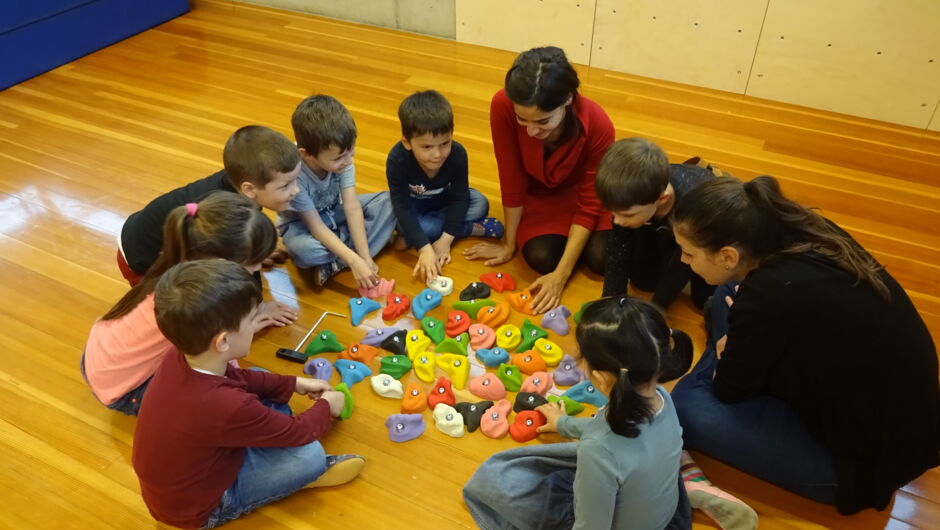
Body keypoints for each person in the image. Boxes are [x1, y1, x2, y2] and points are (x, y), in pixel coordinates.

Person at [669, 175, 940, 514]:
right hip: (896, 410)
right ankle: (735, 351)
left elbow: (729, 392)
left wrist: (730, 357)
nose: (683, 261)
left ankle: (729, 354)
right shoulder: (804, 229)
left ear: (727, 255)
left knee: (686, 405)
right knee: (726, 293)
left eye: (689, 253)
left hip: (864, 465)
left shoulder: (766, 295)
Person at [133, 259, 363, 529]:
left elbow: (238, 378)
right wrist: (327, 404)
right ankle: (303, 477)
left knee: (264, 386)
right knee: (308, 456)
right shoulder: (224, 404)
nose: (257, 324)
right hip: (203, 506)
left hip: (186, 480)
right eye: (252, 319)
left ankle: (264, 437)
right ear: (223, 341)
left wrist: (293, 383)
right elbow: (299, 432)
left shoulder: (183, 354)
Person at [464, 297, 695, 529]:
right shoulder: (662, 397)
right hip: (666, 514)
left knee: (494, 478)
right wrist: (563, 424)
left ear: (600, 379)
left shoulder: (599, 449)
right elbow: (606, 430)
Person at [82, 192, 295, 415]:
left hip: (96, 359)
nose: (258, 269)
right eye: (254, 264)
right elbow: (222, 364)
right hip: (125, 390)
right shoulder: (205, 303)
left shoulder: (180, 265)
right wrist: (247, 325)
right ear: (224, 263)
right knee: (220, 393)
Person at [463, 46, 614, 313]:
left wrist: (561, 276)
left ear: (568, 99)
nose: (531, 131)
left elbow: (591, 202)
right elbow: (511, 176)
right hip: (540, 195)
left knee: (603, 260)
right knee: (541, 257)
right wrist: (508, 244)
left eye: (543, 121)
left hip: (584, 193)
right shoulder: (502, 104)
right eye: (523, 119)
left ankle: (577, 247)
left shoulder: (599, 123)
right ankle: (574, 246)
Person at [118, 125, 302, 285]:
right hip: (142, 263)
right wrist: (257, 308)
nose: (296, 190)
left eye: (295, 181)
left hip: (150, 236)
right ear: (249, 189)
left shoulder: (245, 185)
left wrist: (254, 254)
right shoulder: (228, 220)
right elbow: (233, 273)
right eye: (285, 185)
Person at [278, 95, 396, 288]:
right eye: (340, 157)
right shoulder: (294, 173)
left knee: (391, 202)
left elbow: (351, 207)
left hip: (335, 211)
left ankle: (335, 261)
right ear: (306, 154)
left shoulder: (343, 156)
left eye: (352, 152)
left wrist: (364, 257)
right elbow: (316, 227)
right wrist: (355, 260)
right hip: (303, 224)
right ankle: (349, 250)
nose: (348, 160)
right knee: (305, 251)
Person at [386, 89, 504, 281]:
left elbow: (460, 197)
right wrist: (425, 250)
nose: (438, 154)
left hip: (444, 202)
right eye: (426, 147)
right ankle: (467, 229)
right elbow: (402, 206)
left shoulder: (457, 154)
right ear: (407, 143)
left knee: (480, 203)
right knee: (405, 220)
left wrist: (445, 240)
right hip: (415, 208)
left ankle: (418, 235)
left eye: (444, 143)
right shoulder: (396, 160)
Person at [596, 138, 715, 309]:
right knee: (644, 282)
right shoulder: (631, 198)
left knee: (703, 299)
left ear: (662, 199)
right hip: (657, 224)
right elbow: (617, 245)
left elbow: (683, 265)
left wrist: (657, 308)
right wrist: (611, 300)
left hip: (702, 235)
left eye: (627, 214)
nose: (617, 220)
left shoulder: (696, 207)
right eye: (613, 212)